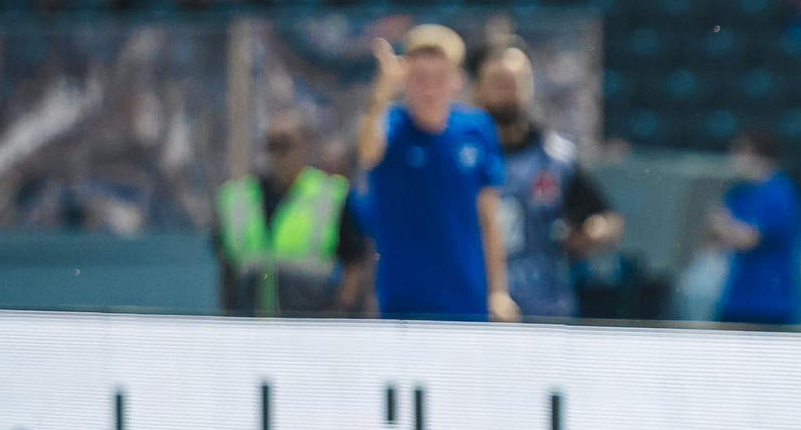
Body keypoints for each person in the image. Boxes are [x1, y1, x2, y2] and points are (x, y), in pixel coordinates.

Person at [351, 23, 518, 321]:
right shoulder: (391, 125)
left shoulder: (476, 128)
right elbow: (366, 150)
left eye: (439, 77)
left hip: (467, 300)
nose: (429, 88)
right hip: (401, 302)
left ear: (458, 80)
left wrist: (498, 292)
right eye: (419, 77)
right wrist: (382, 92)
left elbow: (489, 218)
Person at [475, 40, 621, 321]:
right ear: (478, 88)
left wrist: (592, 233)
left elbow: (606, 219)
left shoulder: (556, 158)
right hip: (474, 307)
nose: (510, 91)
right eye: (499, 82)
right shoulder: (463, 157)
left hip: (544, 308)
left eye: (518, 82)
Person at [215, 113, 370, 316]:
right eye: (272, 145)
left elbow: (355, 259)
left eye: (286, 144)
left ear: (305, 146)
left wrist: (340, 309)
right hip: (252, 325)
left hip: (310, 325)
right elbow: (229, 266)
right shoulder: (240, 198)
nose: (279, 154)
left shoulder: (331, 196)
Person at [706, 126, 801, 325]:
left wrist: (716, 219)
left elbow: (749, 240)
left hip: (769, 304)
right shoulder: (738, 193)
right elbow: (715, 242)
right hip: (737, 300)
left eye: (738, 153)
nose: (732, 159)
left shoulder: (780, 193)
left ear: (755, 154)